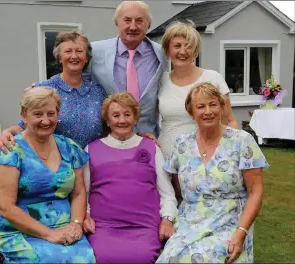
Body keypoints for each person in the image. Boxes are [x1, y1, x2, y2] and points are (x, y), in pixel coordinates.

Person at [157, 82, 268, 264]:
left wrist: (241, 232)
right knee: (170, 258)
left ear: (222, 107)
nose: (208, 111)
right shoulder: (182, 144)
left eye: (213, 104)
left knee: (206, 258)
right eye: (200, 106)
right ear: (192, 112)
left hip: (230, 220)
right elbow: (177, 187)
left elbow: (256, 192)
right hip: (190, 220)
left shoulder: (242, 141)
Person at [0, 87, 96, 263]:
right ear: (24, 115)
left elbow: (79, 192)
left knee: (84, 259)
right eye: (38, 114)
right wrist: (50, 235)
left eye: (51, 113)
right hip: (20, 232)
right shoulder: (9, 152)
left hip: (66, 227)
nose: (45, 121)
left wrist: (75, 223)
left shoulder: (70, 148)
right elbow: (6, 208)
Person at [82, 92, 178, 263]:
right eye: (116, 115)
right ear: (107, 120)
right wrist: (85, 216)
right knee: (101, 257)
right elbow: (84, 193)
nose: (122, 120)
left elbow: (167, 193)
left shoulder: (151, 148)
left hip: (144, 226)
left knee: (143, 257)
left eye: (127, 114)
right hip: (104, 227)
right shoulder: (91, 150)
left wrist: (167, 219)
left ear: (135, 118)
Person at [0, 30, 106, 152]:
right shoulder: (43, 89)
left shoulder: (98, 92)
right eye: (68, 51)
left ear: (86, 58)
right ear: (59, 58)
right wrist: (8, 132)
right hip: (57, 164)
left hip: (93, 163)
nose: (74, 56)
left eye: (79, 51)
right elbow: (24, 125)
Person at [158, 21, 238, 159]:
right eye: (177, 46)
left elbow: (230, 120)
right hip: (166, 156)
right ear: (167, 50)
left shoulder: (213, 78)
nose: (183, 51)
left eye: (188, 47)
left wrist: (228, 151)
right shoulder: (160, 81)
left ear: (195, 51)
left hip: (205, 158)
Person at [87, 1, 168, 136]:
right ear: (116, 23)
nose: (133, 26)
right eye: (127, 20)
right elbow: (78, 84)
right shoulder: (94, 51)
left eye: (139, 21)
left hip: (148, 137)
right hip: (108, 137)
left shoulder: (161, 54)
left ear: (148, 25)